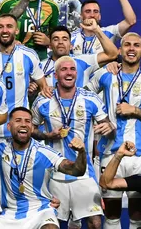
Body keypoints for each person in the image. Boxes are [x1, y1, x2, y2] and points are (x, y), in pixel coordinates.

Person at [86, 32, 141, 229]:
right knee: (111, 213)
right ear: (119, 50)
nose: (131, 49)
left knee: (137, 211)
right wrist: (102, 120)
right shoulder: (106, 74)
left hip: (139, 156)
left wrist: (135, 111)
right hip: (109, 153)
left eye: (136, 45)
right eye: (127, 45)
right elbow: (85, 99)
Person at [31, 56, 115, 228]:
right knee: (55, 223)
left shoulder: (90, 98)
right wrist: (47, 135)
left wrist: (108, 127)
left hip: (84, 173)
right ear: (55, 75)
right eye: (64, 69)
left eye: (72, 69)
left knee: (95, 221)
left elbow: (108, 125)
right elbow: (30, 131)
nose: (69, 73)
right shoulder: (43, 100)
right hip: (54, 173)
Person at [0, 107, 87, 228]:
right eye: (18, 120)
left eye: (28, 121)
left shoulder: (44, 153)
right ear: (9, 126)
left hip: (40, 211)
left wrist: (82, 152)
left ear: (32, 127)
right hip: (9, 214)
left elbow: (77, 170)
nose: (24, 124)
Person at [0, 14, 50, 136]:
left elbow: (43, 87)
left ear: (16, 30)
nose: (5, 30)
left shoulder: (28, 55)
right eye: (0, 27)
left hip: (18, 130)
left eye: (9, 26)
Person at [39, 23, 117, 88]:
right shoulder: (41, 66)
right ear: (50, 46)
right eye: (56, 39)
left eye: (65, 39)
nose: (60, 42)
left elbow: (112, 54)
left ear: (71, 46)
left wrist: (96, 30)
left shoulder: (83, 60)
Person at [71, 0, 137, 55]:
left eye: (95, 11)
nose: (92, 15)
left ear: (100, 16)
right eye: (88, 11)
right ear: (81, 16)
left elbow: (131, 21)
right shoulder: (71, 37)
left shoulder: (108, 32)